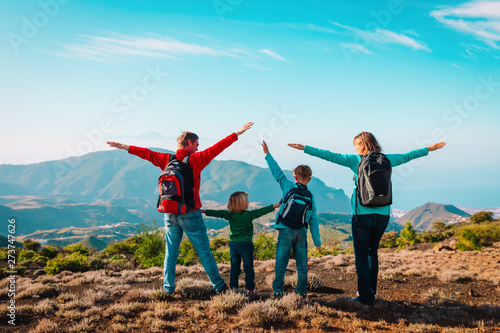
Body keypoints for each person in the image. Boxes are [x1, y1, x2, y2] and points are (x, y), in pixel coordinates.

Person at [289, 132, 446, 305]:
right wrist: (428, 149)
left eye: (356, 145)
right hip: (383, 215)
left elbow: (329, 156)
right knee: (373, 253)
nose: (354, 148)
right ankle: (370, 292)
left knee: (362, 256)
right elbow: (407, 156)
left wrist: (304, 148)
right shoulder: (386, 159)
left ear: (363, 145)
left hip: (362, 216)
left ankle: (365, 297)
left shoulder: (355, 160)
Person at [107, 122, 253, 295]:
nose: (199, 147)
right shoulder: (196, 159)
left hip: (169, 213)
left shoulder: (166, 159)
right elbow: (218, 147)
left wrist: (124, 147)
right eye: (197, 144)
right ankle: (219, 287)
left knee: (171, 254)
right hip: (190, 213)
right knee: (204, 252)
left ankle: (168, 289)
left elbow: (146, 153)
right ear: (189, 143)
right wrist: (237, 133)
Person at [262, 140, 322, 298]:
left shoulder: (288, 186)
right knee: (302, 266)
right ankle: (301, 292)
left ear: (294, 176)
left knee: (281, 263)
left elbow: (277, 172)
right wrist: (317, 242)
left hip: (284, 229)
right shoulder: (310, 196)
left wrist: (267, 154)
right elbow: (313, 219)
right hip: (301, 233)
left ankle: (278, 290)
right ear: (309, 179)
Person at [202, 191, 281, 292]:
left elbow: (218, 213)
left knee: (234, 268)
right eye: (247, 201)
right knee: (248, 268)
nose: (248, 202)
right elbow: (261, 211)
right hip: (246, 245)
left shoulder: (229, 214)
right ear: (241, 203)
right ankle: (250, 289)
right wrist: (274, 206)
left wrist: (205, 211)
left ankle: (234, 289)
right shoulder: (248, 215)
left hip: (234, 245)